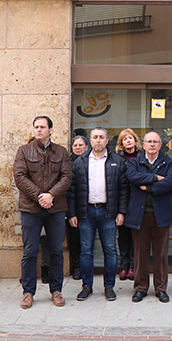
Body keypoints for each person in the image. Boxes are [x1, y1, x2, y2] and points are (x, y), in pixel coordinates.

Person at [13, 116, 73, 309]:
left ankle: (56, 290)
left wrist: (51, 195)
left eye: (42, 127)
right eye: (36, 127)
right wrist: (40, 196)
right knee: (30, 251)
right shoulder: (24, 151)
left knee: (56, 251)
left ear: (50, 130)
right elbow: (20, 177)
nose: (38, 130)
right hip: (31, 209)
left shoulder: (61, 152)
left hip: (56, 209)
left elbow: (66, 177)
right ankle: (28, 292)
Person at [71, 128, 129, 302]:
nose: (98, 140)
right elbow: (72, 189)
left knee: (110, 251)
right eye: (95, 137)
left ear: (107, 140)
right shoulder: (80, 162)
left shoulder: (117, 161)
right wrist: (72, 213)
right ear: (91, 140)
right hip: (85, 212)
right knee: (86, 252)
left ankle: (109, 286)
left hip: (108, 212)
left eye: (101, 137)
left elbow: (123, 189)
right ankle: (86, 286)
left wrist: (121, 212)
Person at [124, 131, 172, 303]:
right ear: (144, 145)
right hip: (140, 214)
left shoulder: (168, 162)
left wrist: (148, 187)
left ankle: (161, 289)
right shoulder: (135, 162)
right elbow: (132, 177)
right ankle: (140, 288)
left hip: (161, 214)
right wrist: (154, 177)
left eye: (155, 142)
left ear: (160, 145)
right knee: (140, 254)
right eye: (149, 141)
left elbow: (169, 183)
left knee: (161, 254)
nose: (152, 144)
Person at [115, 128, 140, 281]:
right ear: (121, 143)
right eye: (125, 139)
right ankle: (123, 266)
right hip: (122, 201)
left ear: (135, 140)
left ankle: (133, 266)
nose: (128, 141)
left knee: (136, 236)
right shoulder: (117, 159)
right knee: (123, 236)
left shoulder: (141, 157)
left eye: (130, 138)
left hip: (137, 200)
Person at [65, 135, 88, 282]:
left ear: (86, 147)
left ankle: (87, 267)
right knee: (74, 239)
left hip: (88, 206)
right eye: (75, 145)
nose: (78, 148)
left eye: (81, 145)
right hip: (72, 205)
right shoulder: (67, 163)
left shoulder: (92, 161)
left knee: (87, 240)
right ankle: (77, 267)